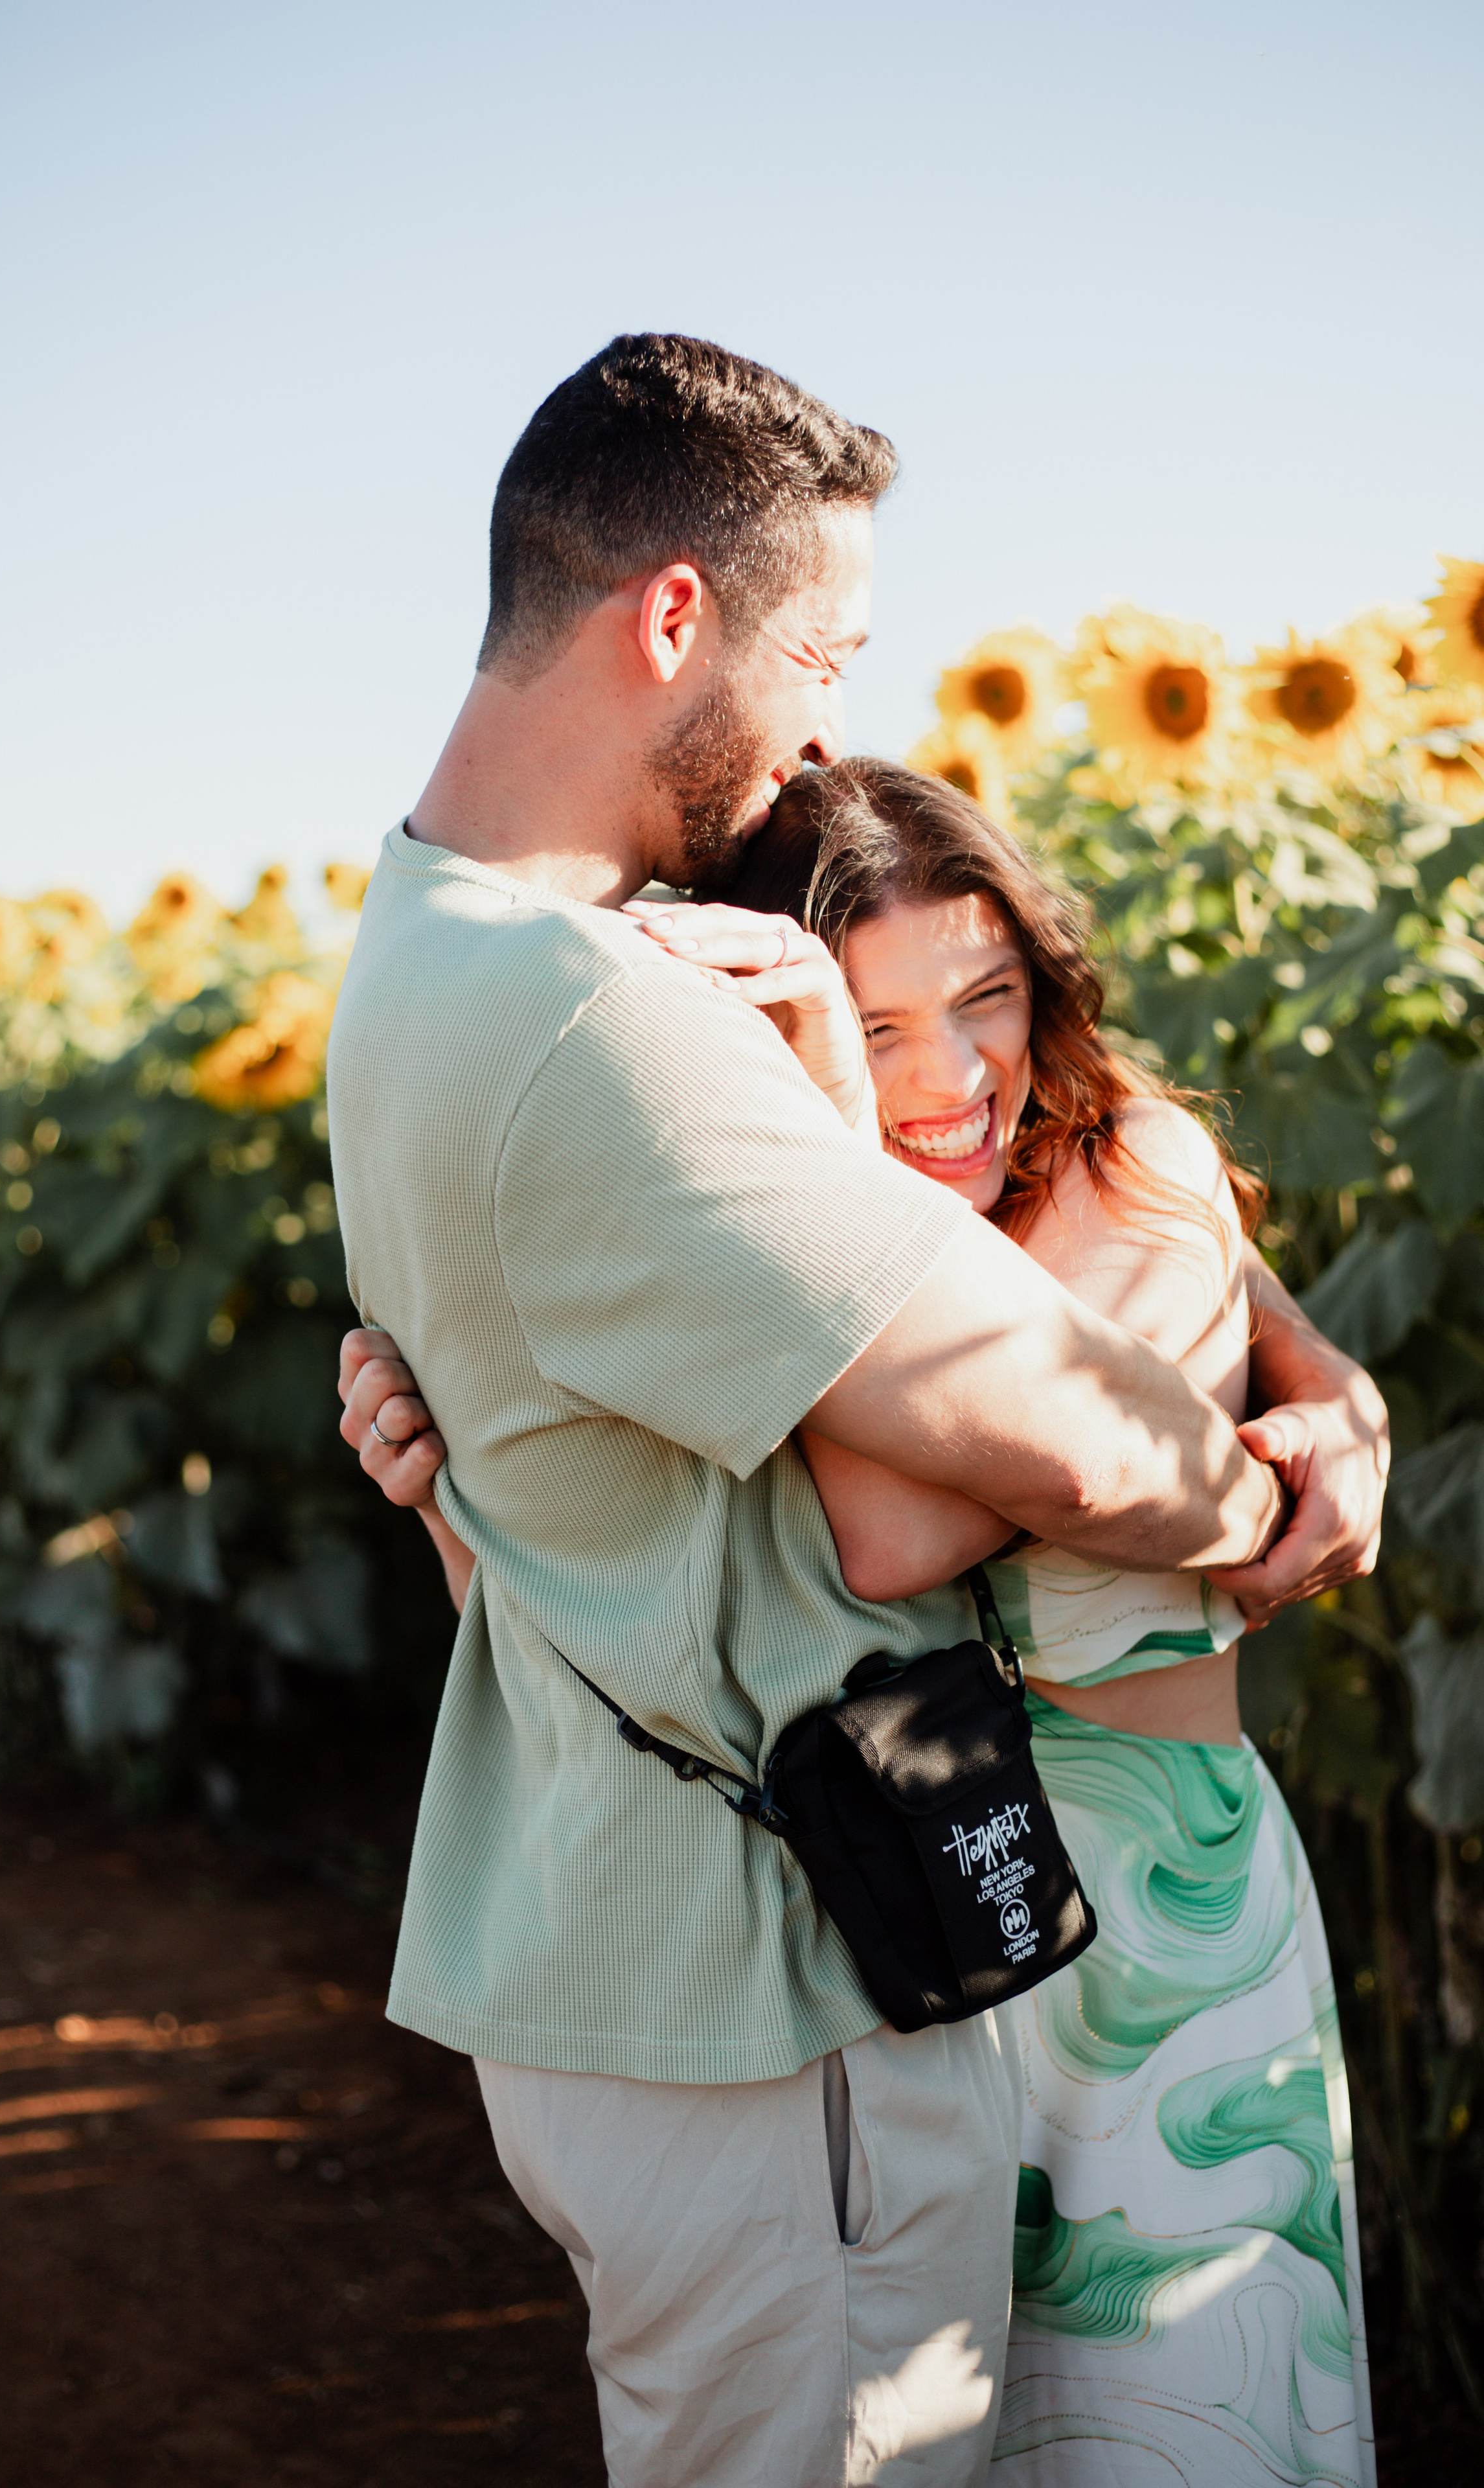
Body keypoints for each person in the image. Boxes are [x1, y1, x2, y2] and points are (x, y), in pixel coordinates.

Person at [328, 334, 1387, 2488]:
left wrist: (1307, 1355)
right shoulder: (590, 1026)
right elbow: (1032, 1436)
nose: (837, 719)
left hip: (726, 1950)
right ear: (675, 618)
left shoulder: (428, 958)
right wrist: (1267, 1482)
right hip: (760, 2002)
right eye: (826, 650)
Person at [622, 759, 1375, 2484]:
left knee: (1179, 2430)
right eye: (871, 1027)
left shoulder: (1137, 1171)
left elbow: (892, 1532)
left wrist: (820, 1142)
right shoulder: (838, 1241)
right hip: (925, 1937)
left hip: (1154, 1940)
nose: (950, 1079)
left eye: (987, 999)